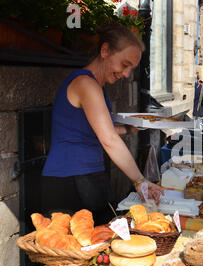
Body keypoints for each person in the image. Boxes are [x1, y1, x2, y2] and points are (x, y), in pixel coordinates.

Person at [41, 22, 164, 225]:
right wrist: (139, 180)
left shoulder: (95, 85)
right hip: (69, 181)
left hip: (85, 176)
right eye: (125, 65)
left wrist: (130, 128)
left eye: (131, 69)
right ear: (105, 50)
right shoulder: (85, 84)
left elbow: (93, 129)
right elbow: (108, 139)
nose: (126, 74)